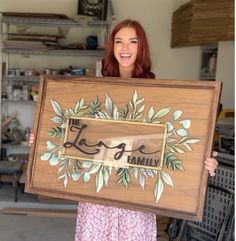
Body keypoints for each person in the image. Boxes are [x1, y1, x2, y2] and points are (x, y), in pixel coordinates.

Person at [29, 19, 218, 241]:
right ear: (112, 47)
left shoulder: (160, 93)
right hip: (97, 196)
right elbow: (74, 133)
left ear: (142, 47)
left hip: (135, 196)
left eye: (132, 41)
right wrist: (40, 139)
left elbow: (173, 142)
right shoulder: (92, 90)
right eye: (119, 42)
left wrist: (204, 163)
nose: (125, 48)